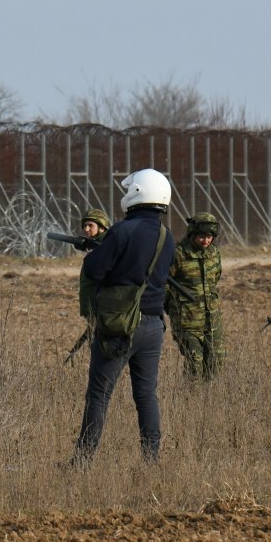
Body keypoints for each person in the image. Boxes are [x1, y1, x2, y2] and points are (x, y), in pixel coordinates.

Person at [72, 169, 174, 466]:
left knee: (99, 394)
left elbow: (94, 271)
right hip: (154, 325)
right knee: (146, 394)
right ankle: (151, 461)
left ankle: (82, 461)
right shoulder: (167, 237)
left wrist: (95, 253)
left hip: (120, 325)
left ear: (138, 193)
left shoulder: (121, 230)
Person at [165, 212, 225, 381]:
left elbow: (215, 279)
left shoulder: (214, 253)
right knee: (194, 364)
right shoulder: (178, 253)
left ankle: (210, 401)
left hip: (212, 319)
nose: (206, 241)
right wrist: (172, 307)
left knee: (216, 361)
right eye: (201, 237)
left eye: (209, 237)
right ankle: (192, 400)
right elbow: (164, 283)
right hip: (187, 320)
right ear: (192, 234)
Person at [78, 208, 112, 322]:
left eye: (90, 225)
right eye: (84, 226)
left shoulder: (106, 247)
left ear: (102, 227)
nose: (86, 229)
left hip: (101, 307)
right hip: (93, 306)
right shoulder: (95, 246)